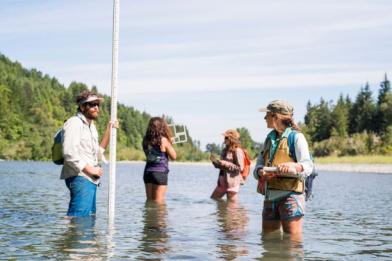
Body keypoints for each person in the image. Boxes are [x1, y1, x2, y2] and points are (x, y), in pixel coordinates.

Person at [254, 100, 313, 235]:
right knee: (268, 241)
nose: (264, 118)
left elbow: (308, 166)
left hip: (291, 197)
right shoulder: (269, 139)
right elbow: (258, 164)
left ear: (276, 117)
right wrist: (259, 171)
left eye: (267, 114)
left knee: (293, 244)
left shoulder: (297, 137)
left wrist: (295, 166)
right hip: (270, 198)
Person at [61, 90, 117, 217]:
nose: (96, 107)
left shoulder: (92, 127)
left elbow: (98, 153)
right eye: (92, 104)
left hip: (90, 180)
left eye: (97, 104)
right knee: (78, 220)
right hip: (80, 177)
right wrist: (90, 170)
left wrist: (109, 130)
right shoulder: (74, 123)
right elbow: (69, 152)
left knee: (88, 220)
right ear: (82, 106)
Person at [142, 117, 177, 203]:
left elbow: (151, 154)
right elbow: (174, 156)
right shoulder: (164, 140)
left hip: (148, 173)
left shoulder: (145, 140)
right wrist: (170, 143)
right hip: (159, 173)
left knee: (149, 202)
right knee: (159, 205)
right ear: (162, 127)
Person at [210, 129, 245, 202]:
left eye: (226, 137)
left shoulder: (238, 151)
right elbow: (221, 166)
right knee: (213, 200)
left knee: (232, 210)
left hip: (232, 184)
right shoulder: (224, 150)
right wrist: (216, 162)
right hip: (222, 183)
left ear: (232, 139)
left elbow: (240, 168)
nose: (224, 139)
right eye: (224, 137)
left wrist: (225, 163)